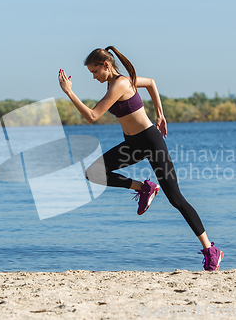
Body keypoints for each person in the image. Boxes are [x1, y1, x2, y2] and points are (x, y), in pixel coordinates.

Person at [58, 46, 223, 271]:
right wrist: (160, 114)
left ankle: (210, 249)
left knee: (176, 199)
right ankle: (144, 188)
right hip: (132, 145)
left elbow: (93, 116)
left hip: (150, 142)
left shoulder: (121, 84)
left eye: (95, 71)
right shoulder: (116, 83)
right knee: (94, 172)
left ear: (106, 65)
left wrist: (69, 92)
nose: (94, 77)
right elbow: (152, 83)